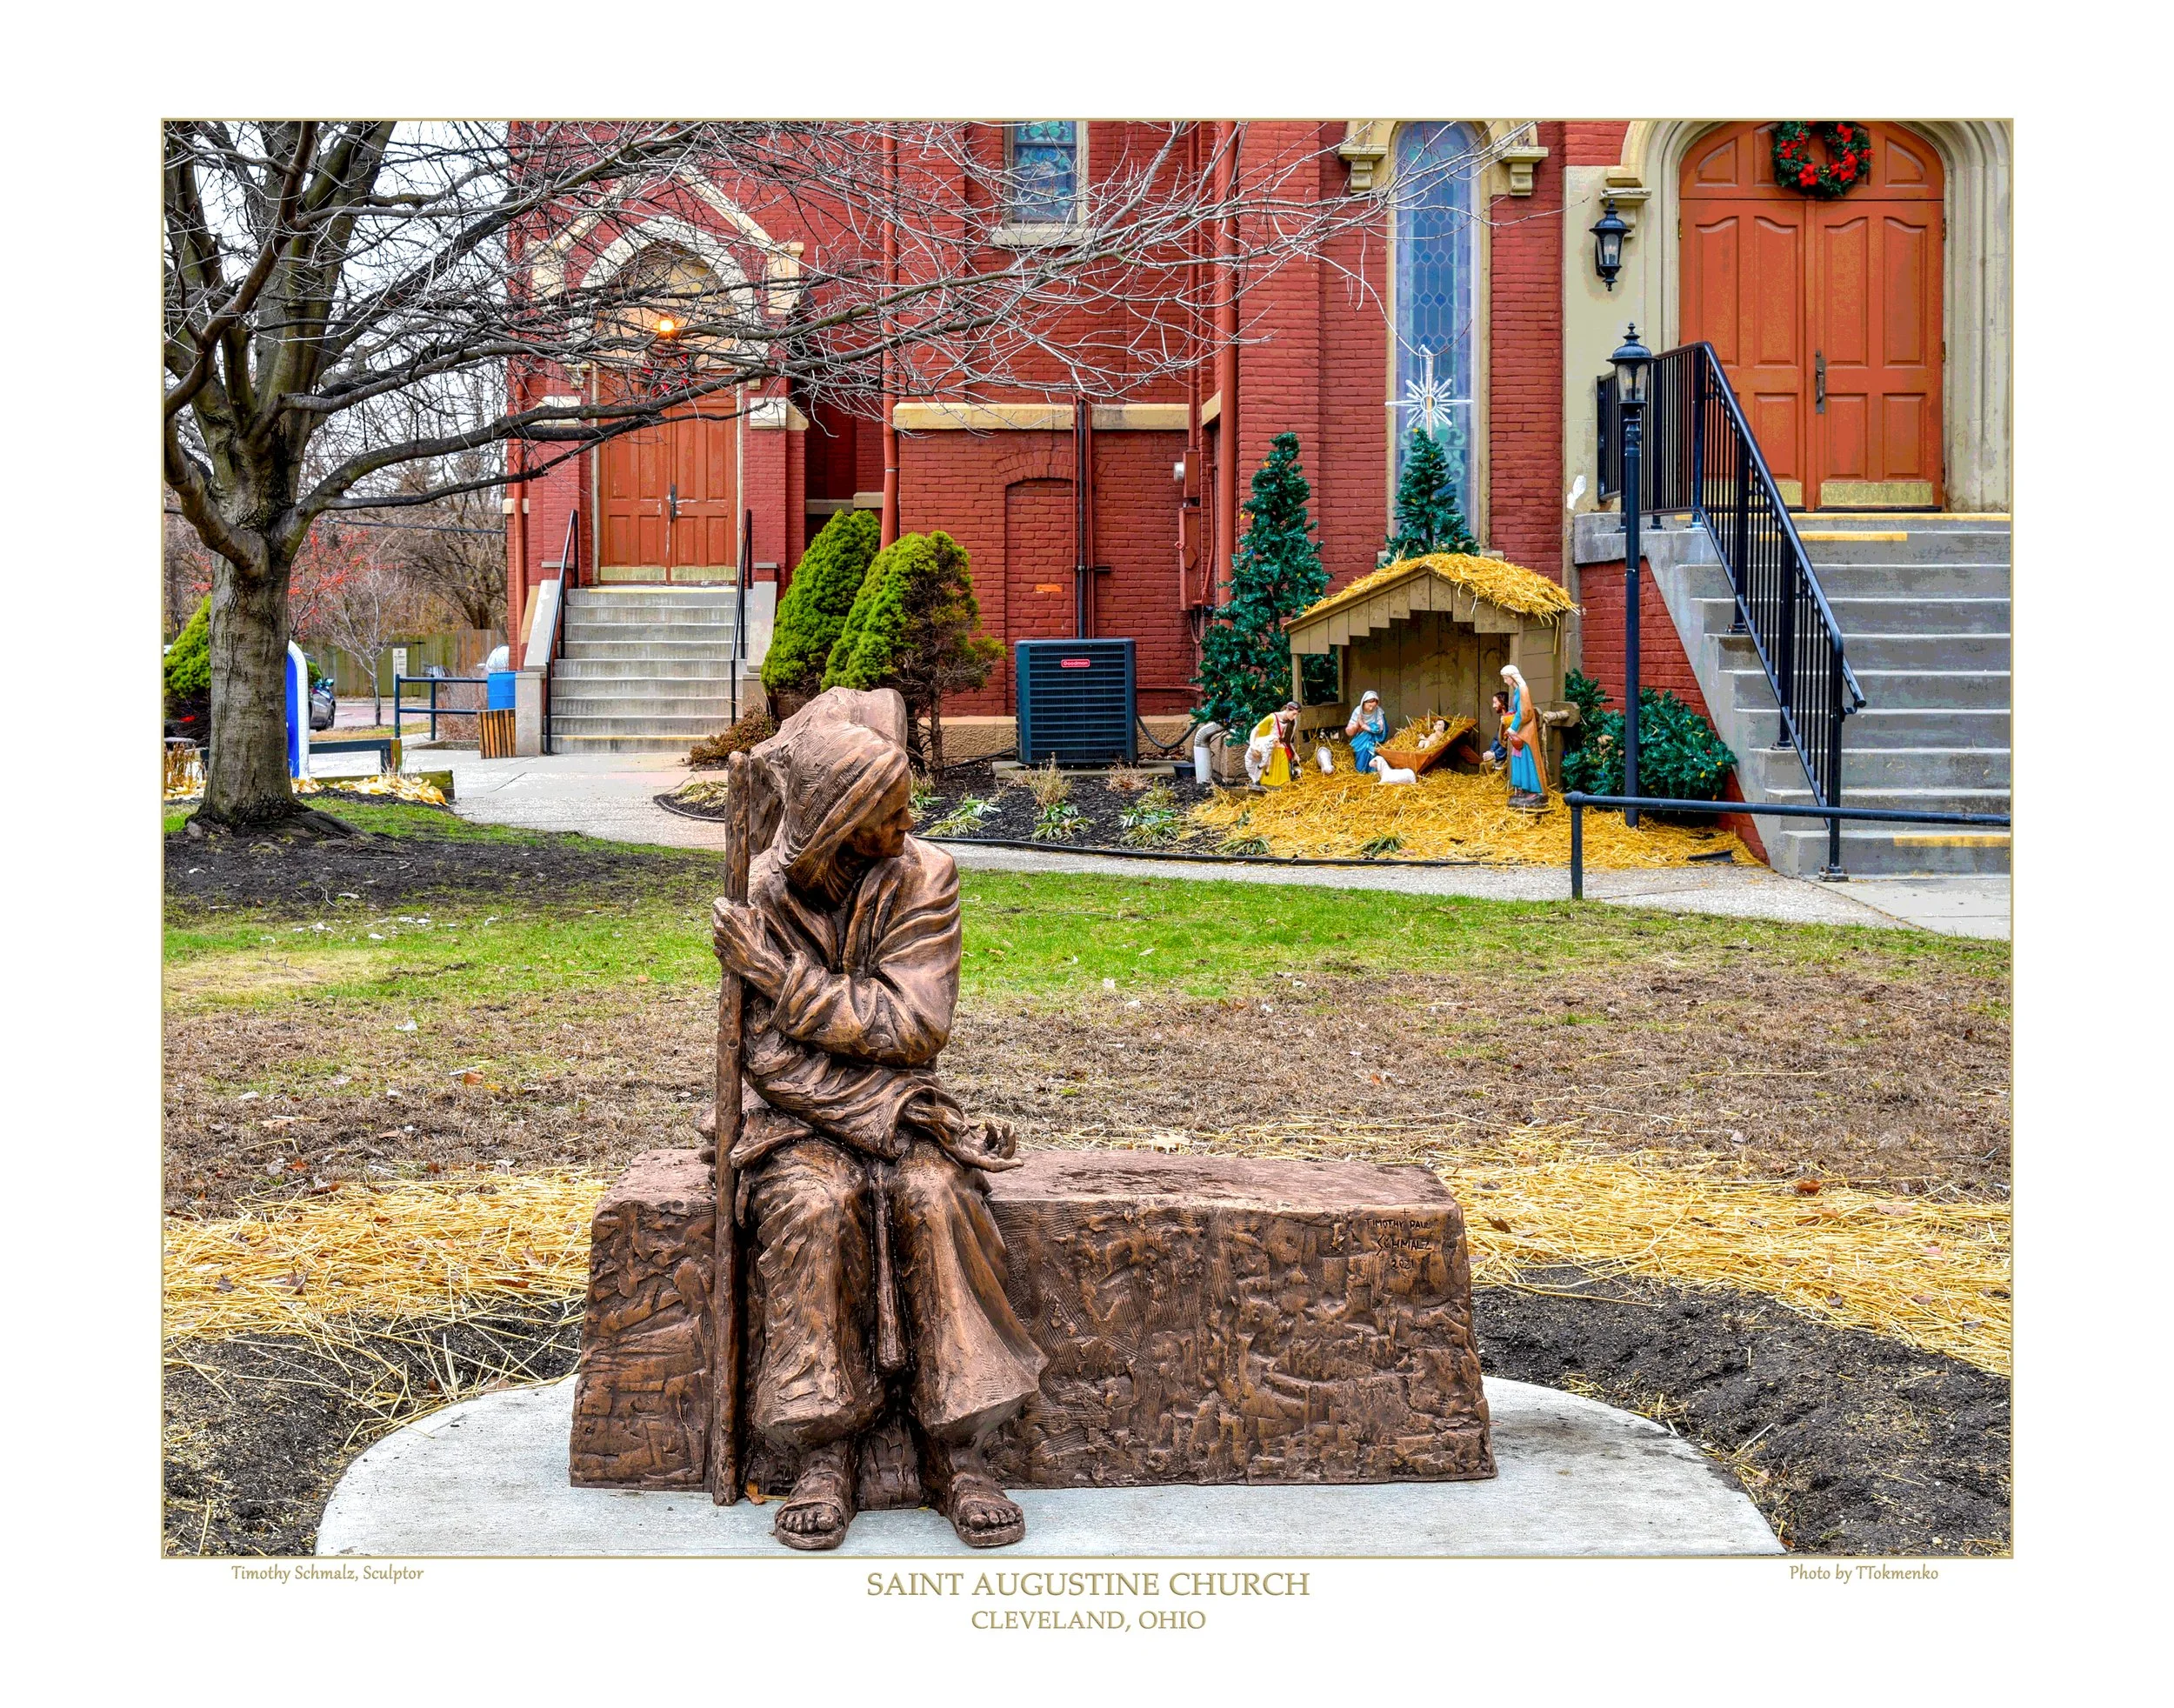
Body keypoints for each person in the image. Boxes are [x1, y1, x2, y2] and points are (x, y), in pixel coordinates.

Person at [709, 690, 1046, 1552]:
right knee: (810, 1205)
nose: (907, 823)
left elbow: (914, 1024)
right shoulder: (766, 889)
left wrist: (791, 987)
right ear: (834, 823)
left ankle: (957, 1448)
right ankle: (825, 1449)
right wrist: (877, 1099)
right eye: (885, 815)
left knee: (936, 1195)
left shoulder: (926, 876)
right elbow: (765, 1057)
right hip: (799, 1119)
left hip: (902, 1111)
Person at [1500, 665, 1547, 809]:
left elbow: (1524, 712)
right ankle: (1522, 788)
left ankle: (1535, 790)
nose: (1505, 680)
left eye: (1505, 678)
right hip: (1519, 729)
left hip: (1525, 731)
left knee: (1528, 759)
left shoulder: (1522, 689)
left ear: (1512, 677)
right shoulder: (1516, 690)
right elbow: (1516, 710)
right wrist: (1508, 717)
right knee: (1518, 758)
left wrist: (1513, 728)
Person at [1244, 702, 1301, 788]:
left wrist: (1294, 753)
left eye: (1296, 715)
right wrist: (1253, 745)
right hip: (1270, 751)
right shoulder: (1272, 718)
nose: (1294, 717)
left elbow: (1288, 741)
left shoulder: (1292, 722)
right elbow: (1256, 730)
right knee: (1268, 775)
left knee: (1284, 780)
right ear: (1287, 710)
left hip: (1281, 751)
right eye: (1294, 714)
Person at [1345, 691, 1388, 777]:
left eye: (1374, 706)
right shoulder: (1358, 711)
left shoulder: (1378, 712)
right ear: (1364, 703)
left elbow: (1381, 728)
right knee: (1361, 756)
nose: (1371, 709)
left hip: (1374, 740)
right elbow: (1349, 730)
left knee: (1373, 755)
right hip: (1361, 740)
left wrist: (1365, 726)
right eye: (1369, 706)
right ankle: (1361, 773)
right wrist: (1357, 724)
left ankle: (1372, 773)